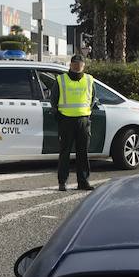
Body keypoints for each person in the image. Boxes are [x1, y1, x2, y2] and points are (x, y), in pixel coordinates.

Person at [53, 53, 98, 192]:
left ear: (84, 66)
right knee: (64, 153)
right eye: (75, 64)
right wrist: (60, 118)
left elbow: (93, 99)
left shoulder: (90, 80)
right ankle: (62, 182)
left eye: (80, 64)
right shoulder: (61, 80)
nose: (77, 66)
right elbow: (53, 101)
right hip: (66, 120)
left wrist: (86, 114)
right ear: (70, 65)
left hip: (83, 121)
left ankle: (83, 182)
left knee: (83, 153)